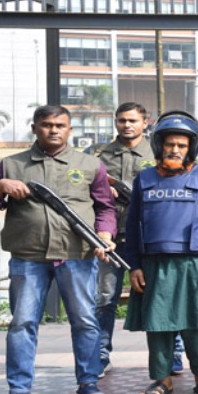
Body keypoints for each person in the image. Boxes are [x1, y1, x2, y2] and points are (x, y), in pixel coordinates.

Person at [0, 105, 116, 394]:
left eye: (60, 125)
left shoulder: (90, 164)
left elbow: (105, 207)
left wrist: (104, 235)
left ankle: (88, 384)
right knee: (23, 323)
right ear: (35, 128)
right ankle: (19, 390)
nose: (53, 130)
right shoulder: (11, 164)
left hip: (77, 255)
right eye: (46, 124)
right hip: (28, 256)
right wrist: (0, 186)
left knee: (85, 321)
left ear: (69, 129)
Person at [122, 111, 198, 394]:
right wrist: (134, 265)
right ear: (160, 145)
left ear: (191, 148)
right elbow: (132, 225)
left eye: (182, 145)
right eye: (170, 144)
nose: (175, 149)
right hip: (155, 265)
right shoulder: (144, 179)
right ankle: (162, 380)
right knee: (159, 326)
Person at [87, 102, 154, 378]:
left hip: (149, 239)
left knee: (159, 295)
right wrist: (100, 190)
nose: (127, 125)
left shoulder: (158, 151)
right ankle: (100, 355)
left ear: (145, 123)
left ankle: (171, 354)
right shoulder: (96, 154)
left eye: (133, 120)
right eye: (122, 120)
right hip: (109, 239)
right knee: (104, 298)